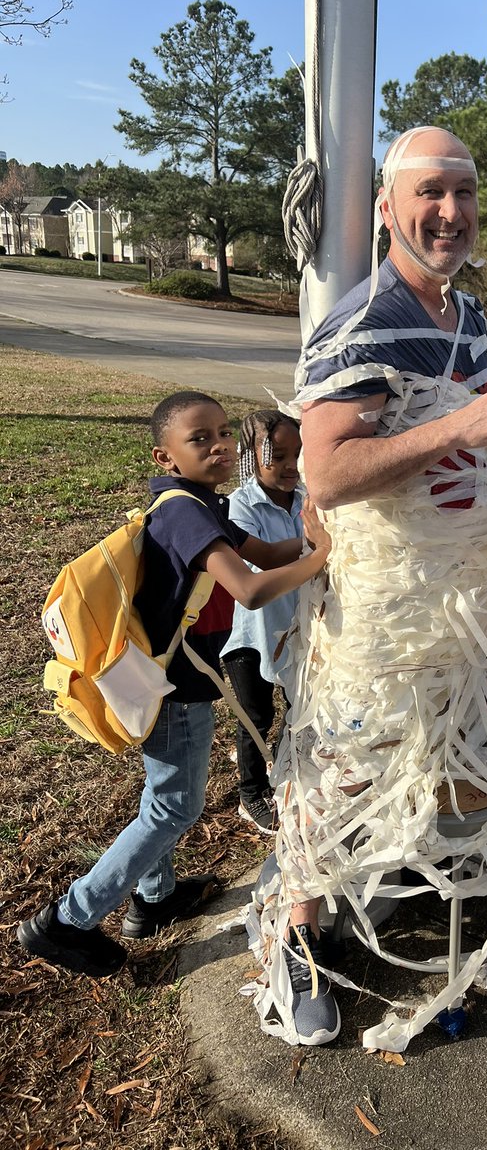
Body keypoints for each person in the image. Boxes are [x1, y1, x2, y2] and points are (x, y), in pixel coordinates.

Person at [245, 125, 487, 1050]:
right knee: (338, 769)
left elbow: (475, 437)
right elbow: (326, 474)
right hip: (381, 619)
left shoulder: (469, 318)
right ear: (387, 207)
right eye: (429, 192)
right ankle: (297, 936)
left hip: (461, 610)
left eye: (464, 193)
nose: (450, 211)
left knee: (455, 754)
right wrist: (460, 428)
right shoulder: (360, 321)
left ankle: (437, 883)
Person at [17, 391, 330, 978]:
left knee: (161, 793)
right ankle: (68, 920)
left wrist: (315, 538)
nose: (219, 446)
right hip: (177, 688)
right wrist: (323, 558)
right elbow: (250, 587)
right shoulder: (183, 512)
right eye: (199, 438)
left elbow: (263, 551)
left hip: (165, 677)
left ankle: (155, 897)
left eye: (223, 433)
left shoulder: (202, 504)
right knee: (174, 807)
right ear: (165, 457)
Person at [221, 410, 304, 835]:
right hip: (251, 635)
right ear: (251, 458)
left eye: (297, 454)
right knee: (255, 716)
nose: (291, 466)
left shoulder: (308, 497)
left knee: (300, 707)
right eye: (278, 456)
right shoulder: (240, 505)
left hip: (301, 628)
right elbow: (253, 566)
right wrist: (316, 545)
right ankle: (251, 792)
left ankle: (290, 776)